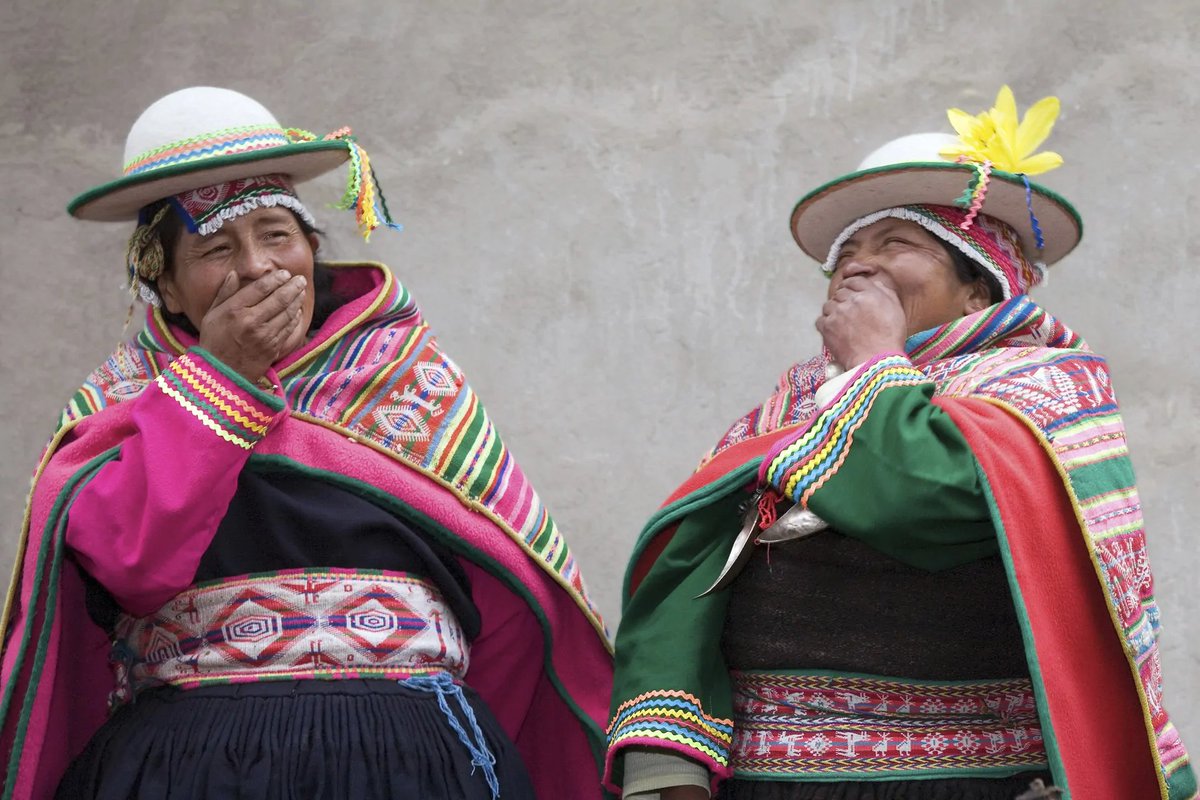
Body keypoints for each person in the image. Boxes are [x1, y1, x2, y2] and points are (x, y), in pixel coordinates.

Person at [0, 86, 613, 800]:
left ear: (314, 251)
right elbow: (130, 562)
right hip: (191, 768)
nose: (259, 267)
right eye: (216, 247)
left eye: (277, 235)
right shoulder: (124, 406)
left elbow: (513, 599)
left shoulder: (409, 382)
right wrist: (224, 378)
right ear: (163, 286)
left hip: (414, 764)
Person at [603, 86, 1196, 799]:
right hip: (764, 782)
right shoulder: (786, 410)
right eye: (847, 253)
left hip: (969, 783)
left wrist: (874, 363)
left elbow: (927, 503)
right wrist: (667, 768)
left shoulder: (1046, 389)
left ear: (981, 292)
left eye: (897, 245)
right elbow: (684, 573)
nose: (857, 263)